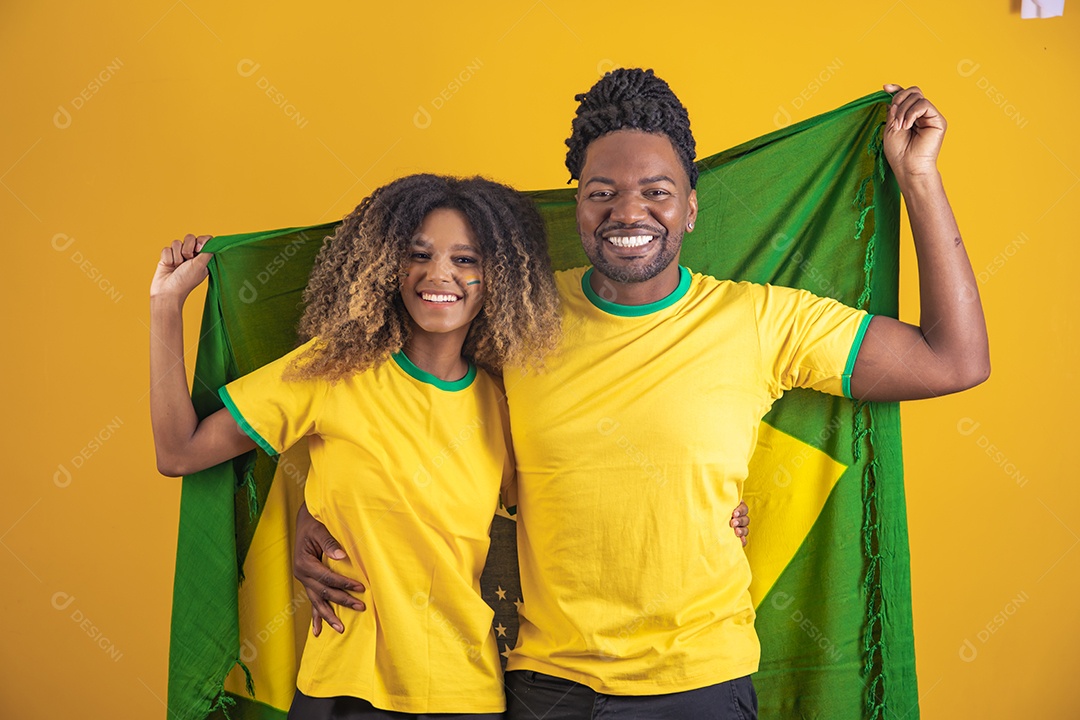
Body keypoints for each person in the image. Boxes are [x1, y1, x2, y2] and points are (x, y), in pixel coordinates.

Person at [296, 70, 989, 719]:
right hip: (547, 685)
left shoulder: (761, 321)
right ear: (579, 205)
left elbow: (952, 360)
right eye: (603, 192)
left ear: (690, 209)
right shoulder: (515, 311)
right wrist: (317, 502)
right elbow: (383, 393)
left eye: (656, 191)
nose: (629, 210)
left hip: (701, 687)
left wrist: (918, 178)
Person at [151, 174, 566, 718]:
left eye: (467, 259)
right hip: (341, 691)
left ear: (502, 280)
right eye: (419, 254)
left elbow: (565, 513)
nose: (440, 274)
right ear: (386, 267)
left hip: (465, 692)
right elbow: (178, 452)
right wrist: (165, 307)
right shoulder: (330, 371)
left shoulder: (505, 405)